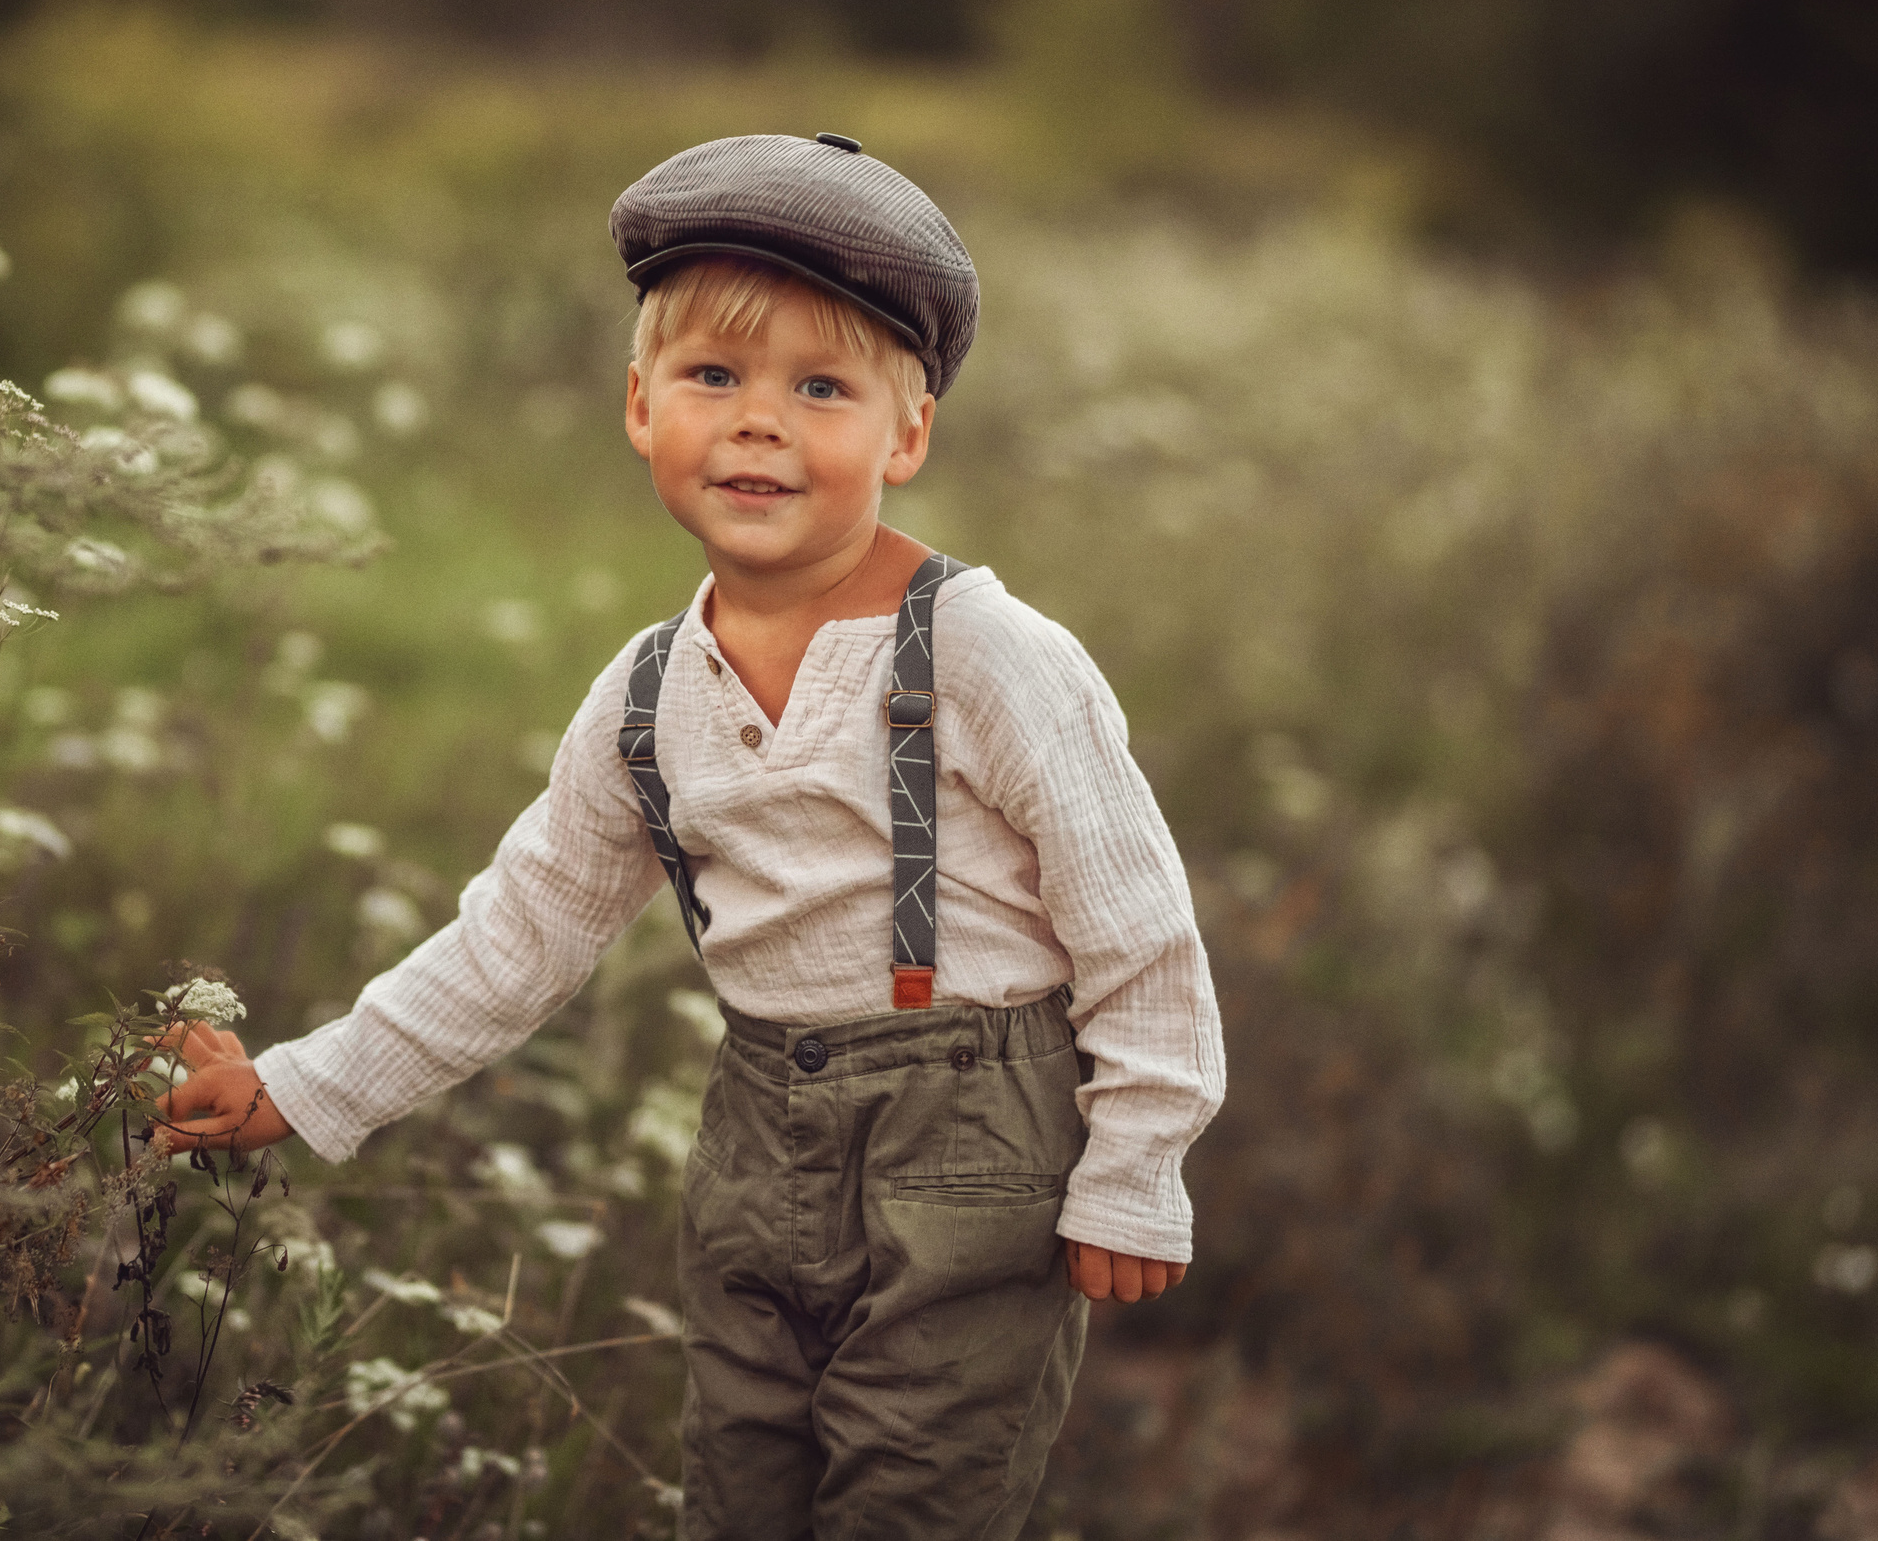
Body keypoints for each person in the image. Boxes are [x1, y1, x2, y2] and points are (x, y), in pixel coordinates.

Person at [153, 132, 1226, 1539]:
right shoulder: (649, 695)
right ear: (640, 406)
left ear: (906, 436)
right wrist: (304, 1083)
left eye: (822, 388)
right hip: (756, 1156)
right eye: (714, 377)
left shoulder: (985, 653)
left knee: (914, 1511)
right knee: (736, 1503)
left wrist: (1137, 1168)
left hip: (976, 1166)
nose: (759, 422)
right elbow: (521, 932)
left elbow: (1135, 923)